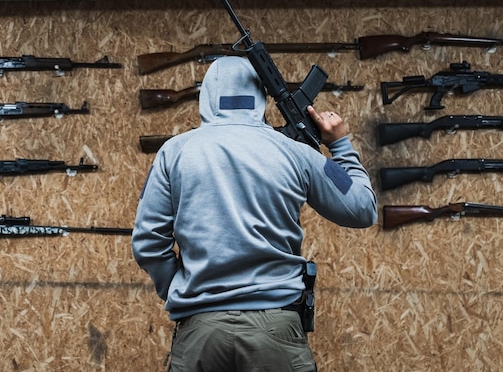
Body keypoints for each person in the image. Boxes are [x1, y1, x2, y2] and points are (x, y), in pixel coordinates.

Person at [132, 56, 377, 372]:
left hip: (200, 331)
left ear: (206, 96)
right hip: (276, 330)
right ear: (261, 96)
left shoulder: (174, 152)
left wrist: (186, 293)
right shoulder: (296, 152)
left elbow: (148, 243)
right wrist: (340, 144)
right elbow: (362, 208)